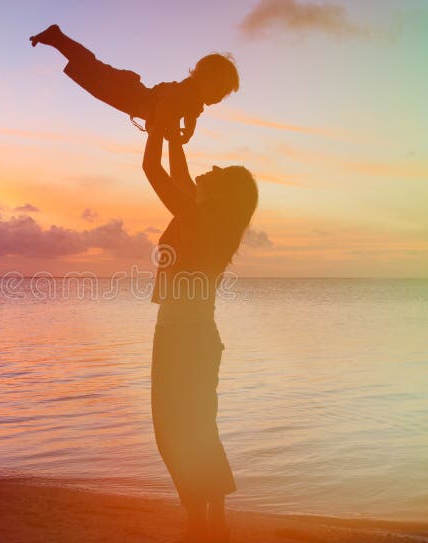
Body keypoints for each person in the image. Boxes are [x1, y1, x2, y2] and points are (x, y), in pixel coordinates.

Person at [142, 112, 258, 542]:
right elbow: (178, 173)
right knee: (195, 425)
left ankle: (199, 523)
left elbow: (153, 170)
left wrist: (158, 126)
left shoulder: (199, 218)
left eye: (218, 172)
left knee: (176, 430)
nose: (207, 171)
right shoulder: (207, 217)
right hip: (188, 336)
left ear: (221, 194)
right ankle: (214, 519)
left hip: (182, 338)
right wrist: (170, 134)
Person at [30, 24, 239, 143]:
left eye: (224, 94)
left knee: (90, 68)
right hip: (128, 92)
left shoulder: (193, 101)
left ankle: (58, 38)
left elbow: (189, 115)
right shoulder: (187, 94)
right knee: (90, 67)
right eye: (220, 90)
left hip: (128, 93)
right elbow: (168, 103)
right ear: (204, 79)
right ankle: (57, 37)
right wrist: (166, 127)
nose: (220, 97)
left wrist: (184, 132)